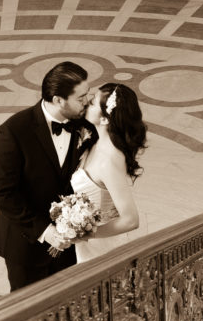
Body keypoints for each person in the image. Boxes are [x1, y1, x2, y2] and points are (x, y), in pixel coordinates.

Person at [0, 60, 94, 291]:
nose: (88, 101)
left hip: (69, 245)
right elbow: (3, 192)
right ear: (58, 99)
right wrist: (46, 232)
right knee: (26, 314)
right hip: (24, 244)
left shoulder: (84, 125)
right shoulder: (13, 131)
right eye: (81, 97)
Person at [57, 82, 147, 263]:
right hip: (88, 247)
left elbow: (131, 220)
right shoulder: (96, 142)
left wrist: (84, 234)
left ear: (105, 119)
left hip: (103, 251)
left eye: (92, 103)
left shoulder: (109, 161)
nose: (86, 103)